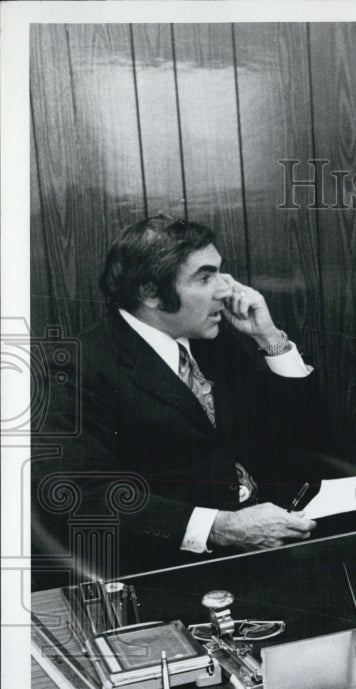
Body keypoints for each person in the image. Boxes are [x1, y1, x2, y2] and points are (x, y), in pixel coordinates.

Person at [33, 215, 334, 579]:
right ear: (151, 293)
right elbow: (80, 494)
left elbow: (310, 435)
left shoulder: (216, 342)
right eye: (205, 278)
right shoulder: (77, 366)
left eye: (221, 273)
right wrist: (221, 527)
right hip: (174, 571)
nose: (227, 290)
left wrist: (269, 340)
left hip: (279, 544)